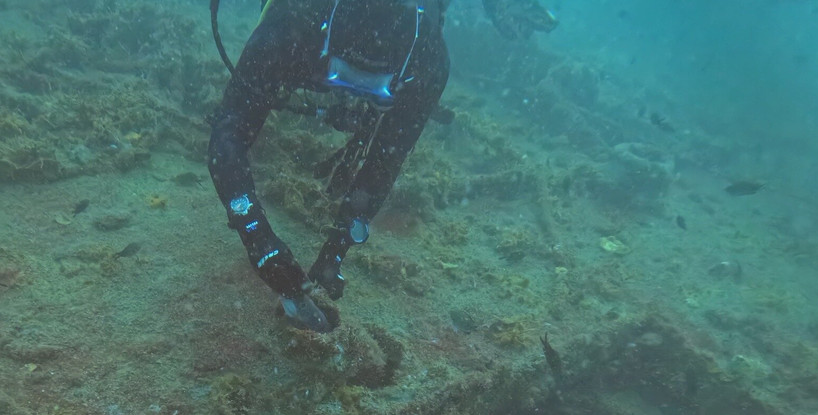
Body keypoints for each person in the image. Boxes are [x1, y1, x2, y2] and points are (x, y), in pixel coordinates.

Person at [207, 0, 557, 331]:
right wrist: (258, 239)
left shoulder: (426, 58)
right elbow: (228, 134)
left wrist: (337, 249)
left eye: (377, 88)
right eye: (342, 74)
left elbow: (385, 163)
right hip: (307, 42)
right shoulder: (295, 18)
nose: (353, 89)